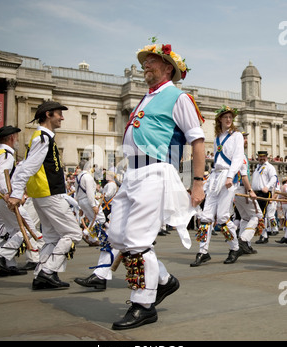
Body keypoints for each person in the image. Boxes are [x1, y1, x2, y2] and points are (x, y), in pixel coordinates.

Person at [108, 41, 206, 330]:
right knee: (117, 235)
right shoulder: (146, 98)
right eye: (145, 62)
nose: (145, 66)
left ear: (167, 68)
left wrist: (197, 182)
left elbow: (197, 143)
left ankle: (144, 304)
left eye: (151, 61)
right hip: (133, 173)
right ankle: (163, 280)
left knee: (137, 240)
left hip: (156, 171)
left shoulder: (178, 97)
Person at [7, 101, 82, 289]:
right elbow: (28, 167)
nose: (62, 117)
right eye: (59, 114)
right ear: (48, 114)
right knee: (73, 233)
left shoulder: (42, 136)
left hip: (44, 194)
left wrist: (18, 191)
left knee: (52, 237)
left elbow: (24, 165)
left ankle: (42, 274)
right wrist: (16, 193)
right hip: (49, 194)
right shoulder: (42, 137)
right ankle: (47, 271)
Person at [191, 105, 244, 267]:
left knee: (222, 216)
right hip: (215, 176)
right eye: (225, 117)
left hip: (228, 177)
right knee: (206, 215)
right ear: (219, 119)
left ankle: (235, 248)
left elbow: (238, 158)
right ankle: (203, 251)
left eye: (230, 117)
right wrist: (210, 179)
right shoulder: (217, 138)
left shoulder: (237, 136)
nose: (228, 120)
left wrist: (230, 176)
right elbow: (216, 161)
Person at [0, 126, 29, 275]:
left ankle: (8, 267)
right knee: (26, 228)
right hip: (4, 198)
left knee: (12, 230)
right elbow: (0, 175)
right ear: (11, 138)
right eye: (17, 138)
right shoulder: (6, 154)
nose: (17, 141)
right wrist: (7, 194)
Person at [74, 162, 118, 290]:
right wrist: (93, 204)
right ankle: (100, 275)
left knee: (137, 247)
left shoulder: (80, 177)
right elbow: (89, 193)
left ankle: (161, 279)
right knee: (113, 238)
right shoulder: (86, 177)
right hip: (88, 201)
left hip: (86, 201)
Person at [233, 131, 263, 254]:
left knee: (245, 217)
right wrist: (250, 190)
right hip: (242, 188)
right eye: (244, 138)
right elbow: (243, 174)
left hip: (235, 190)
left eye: (246, 138)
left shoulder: (233, 153)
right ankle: (244, 240)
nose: (246, 141)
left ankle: (244, 246)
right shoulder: (240, 154)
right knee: (257, 216)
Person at [251, 151, 278, 244]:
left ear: (266, 157)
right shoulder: (257, 167)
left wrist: (267, 186)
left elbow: (274, 178)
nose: (261, 158)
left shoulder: (269, 167)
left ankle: (264, 235)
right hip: (257, 193)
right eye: (260, 157)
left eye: (263, 157)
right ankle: (263, 234)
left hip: (264, 193)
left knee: (263, 214)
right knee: (259, 214)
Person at [276, 176, 287, 244]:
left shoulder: (282, 187)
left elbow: (279, 197)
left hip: (283, 204)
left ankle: (285, 237)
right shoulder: (286, 187)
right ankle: (285, 237)